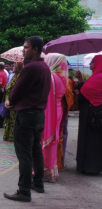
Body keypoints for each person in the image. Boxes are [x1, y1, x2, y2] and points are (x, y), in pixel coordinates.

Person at [4, 36, 51, 202]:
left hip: (26, 114)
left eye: (26, 47)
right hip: (38, 114)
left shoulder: (31, 68)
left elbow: (18, 90)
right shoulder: (45, 67)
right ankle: (38, 183)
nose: (23, 50)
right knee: (36, 151)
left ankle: (24, 190)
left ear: (35, 49)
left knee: (24, 154)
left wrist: (10, 101)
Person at [42, 53, 68, 182]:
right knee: (52, 140)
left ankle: (45, 170)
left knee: (47, 139)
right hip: (56, 109)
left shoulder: (52, 77)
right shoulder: (60, 77)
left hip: (49, 110)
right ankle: (51, 170)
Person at [76, 55, 102, 174]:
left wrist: (79, 92)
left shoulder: (99, 77)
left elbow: (84, 93)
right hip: (94, 114)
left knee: (91, 142)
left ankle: (90, 167)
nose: (90, 65)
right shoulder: (96, 76)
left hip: (92, 115)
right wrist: (81, 81)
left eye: (92, 63)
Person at [3, 62, 23, 141]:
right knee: (8, 119)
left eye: (15, 66)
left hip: (13, 101)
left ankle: (13, 137)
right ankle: (8, 136)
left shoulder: (19, 77)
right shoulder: (14, 76)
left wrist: (11, 100)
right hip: (8, 99)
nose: (13, 67)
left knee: (13, 120)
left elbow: (16, 89)